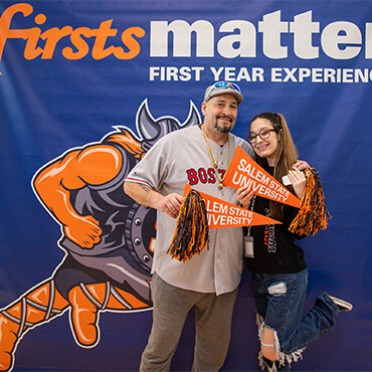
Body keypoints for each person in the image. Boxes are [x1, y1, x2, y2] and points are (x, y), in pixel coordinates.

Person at [124, 81, 255, 371]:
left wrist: (299, 171)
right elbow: (133, 184)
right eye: (220, 104)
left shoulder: (244, 150)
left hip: (225, 277)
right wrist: (159, 201)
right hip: (177, 273)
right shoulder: (175, 143)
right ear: (205, 108)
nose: (227, 111)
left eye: (233, 106)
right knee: (159, 353)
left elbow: (266, 188)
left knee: (212, 358)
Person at [237, 112, 353, 372]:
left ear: (279, 133)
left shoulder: (300, 173)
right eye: (253, 135)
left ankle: (326, 312)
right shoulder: (251, 173)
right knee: (271, 358)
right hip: (258, 274)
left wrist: (301, 197)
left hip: (284, 276)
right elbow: (252, 227)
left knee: (275, 347)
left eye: (265, 132)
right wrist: (243, 207)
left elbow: (303, 231)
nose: (258, 139)